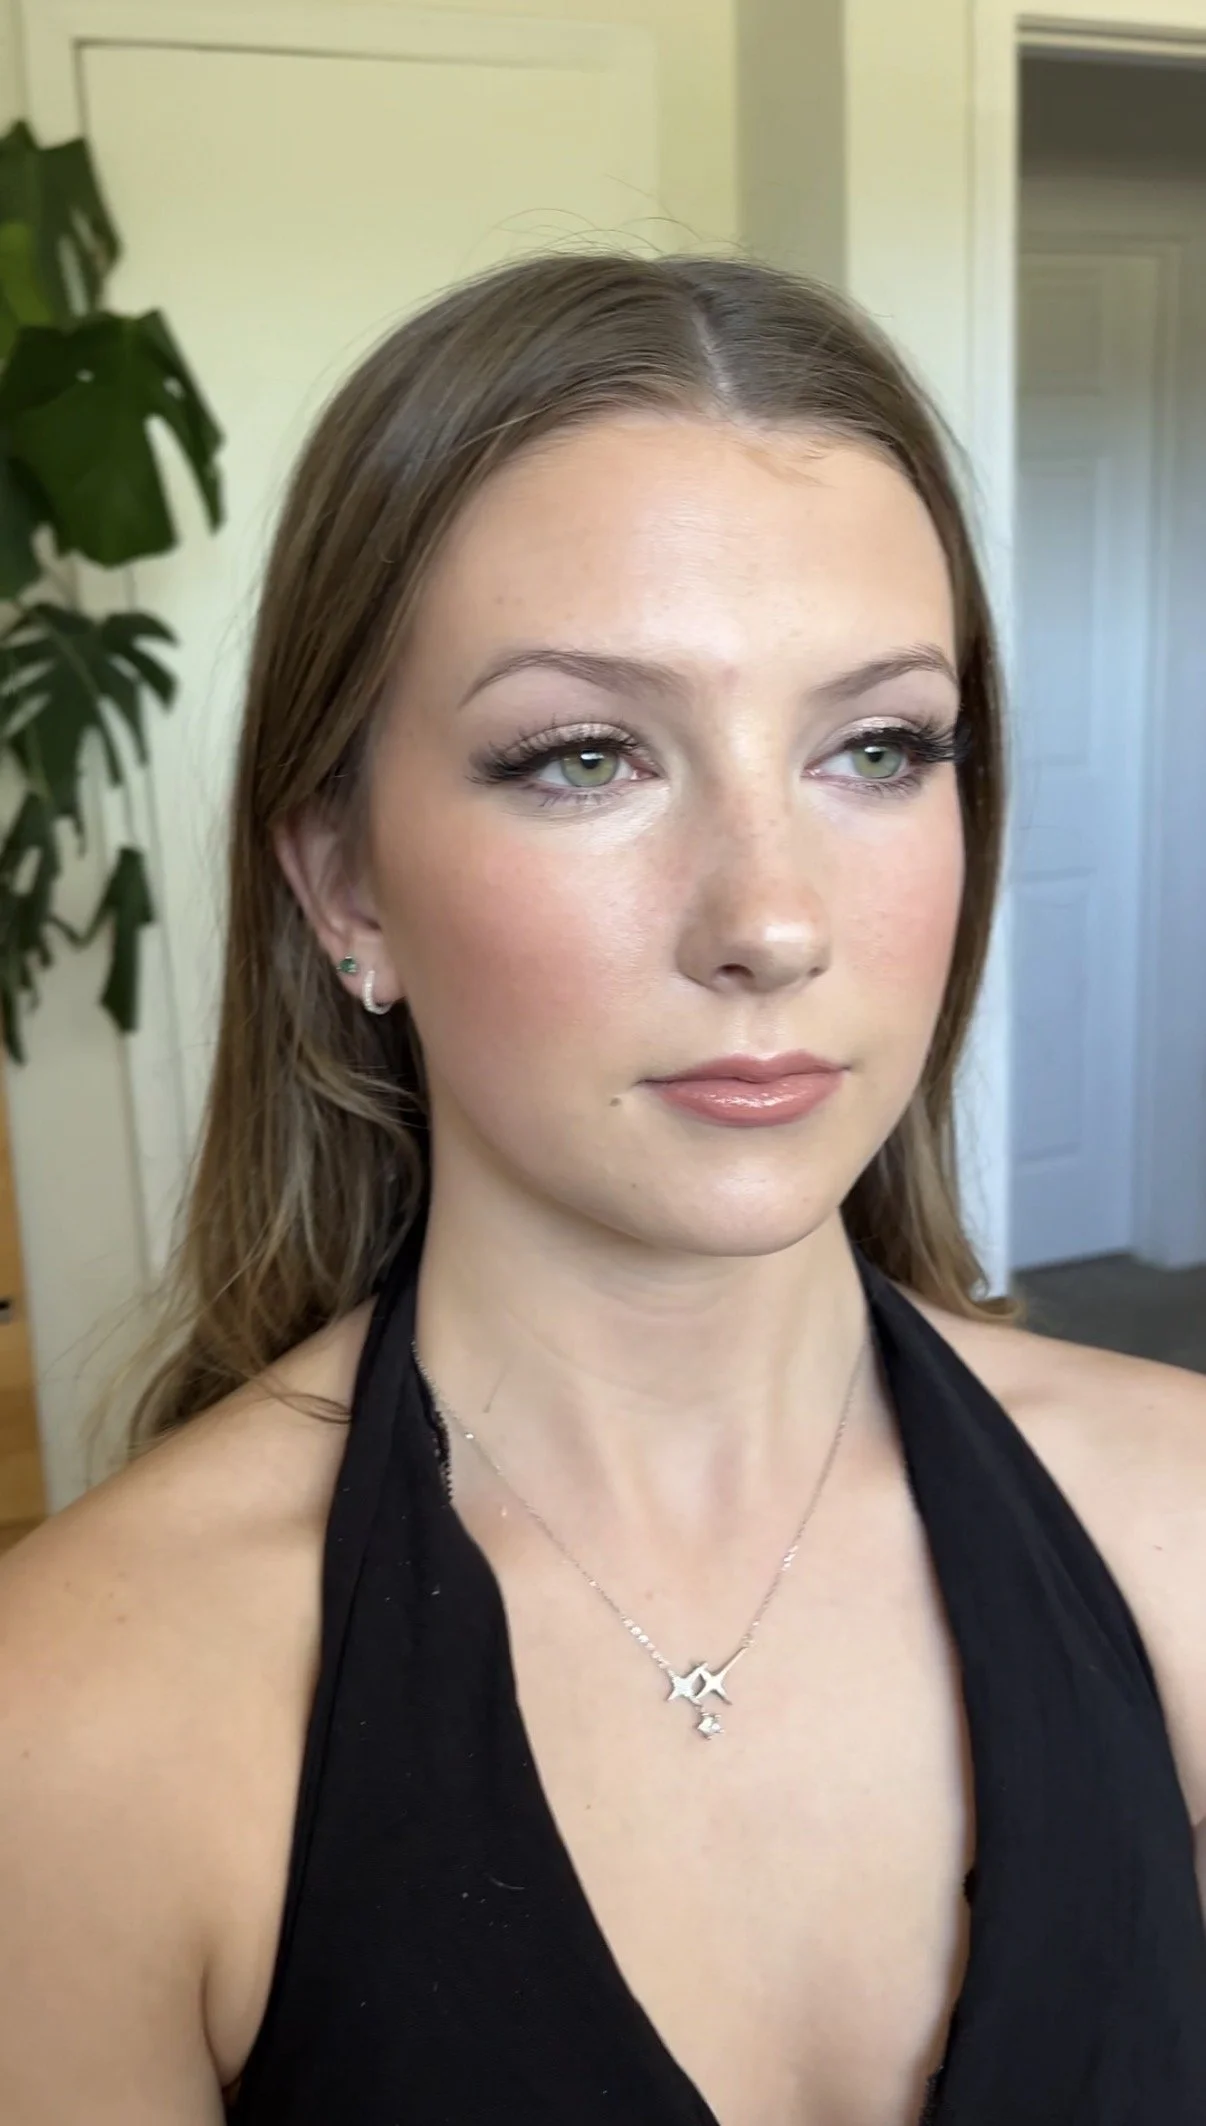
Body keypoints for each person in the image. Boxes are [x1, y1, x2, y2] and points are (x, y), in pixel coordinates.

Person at [0, 253, 1203, 2126]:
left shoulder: (1184, 1525)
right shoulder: (75, 1727)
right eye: (585, 755)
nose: (772, 917)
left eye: (877, 747)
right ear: (345, 884)